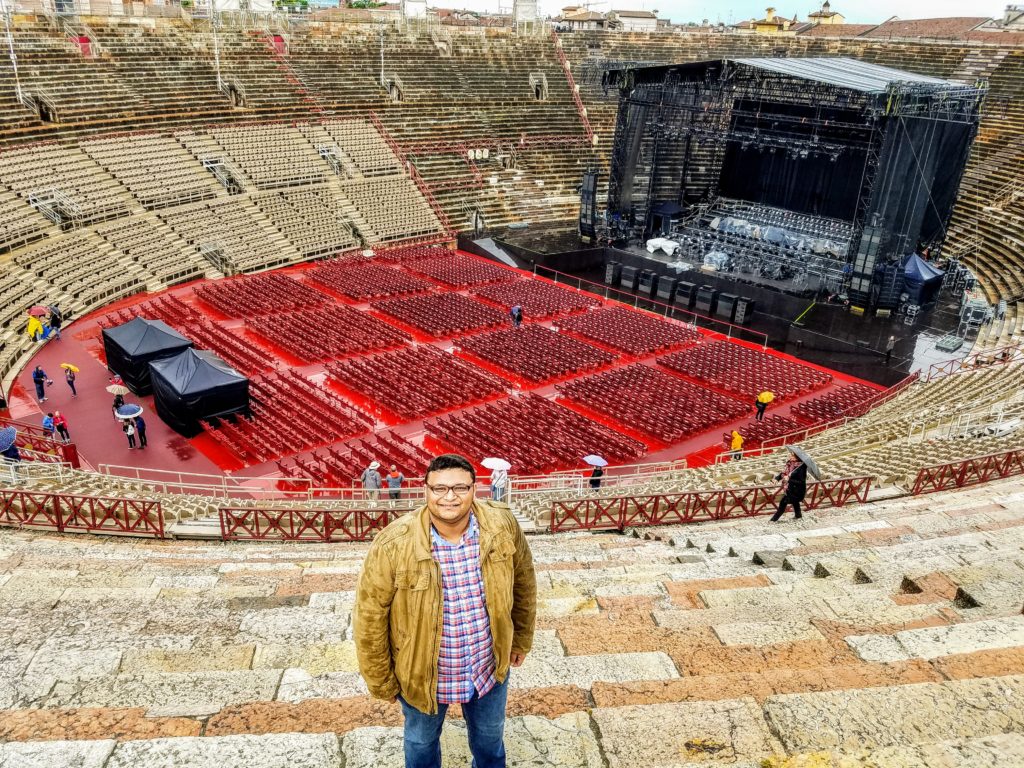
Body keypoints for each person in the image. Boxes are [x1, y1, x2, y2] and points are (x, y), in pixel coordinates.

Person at [354, 453, 536, 768]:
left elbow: (524, 582)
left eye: (459, 488)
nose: (449, 497)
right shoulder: (392, 543)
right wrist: (380, 680)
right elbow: (369, 617)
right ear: (425, 490)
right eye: (439, 489)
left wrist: (521, 638)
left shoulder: (503, 524)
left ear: (474, 489)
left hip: (488, 668)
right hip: (422, 676)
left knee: (490, 743)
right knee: (420, 745)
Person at [770, 449, 808, 523]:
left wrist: (789, 479)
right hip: (789, 488)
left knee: (783, 503)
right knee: (795, 502)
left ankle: (773, 520)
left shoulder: (802, 467)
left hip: (796, 490)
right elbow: (783, 473)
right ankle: (798, 515)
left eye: (792, 455)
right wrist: (776, 479)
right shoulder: (789, 463)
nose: (790, 456)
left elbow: (801, 481)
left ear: (797, 457)